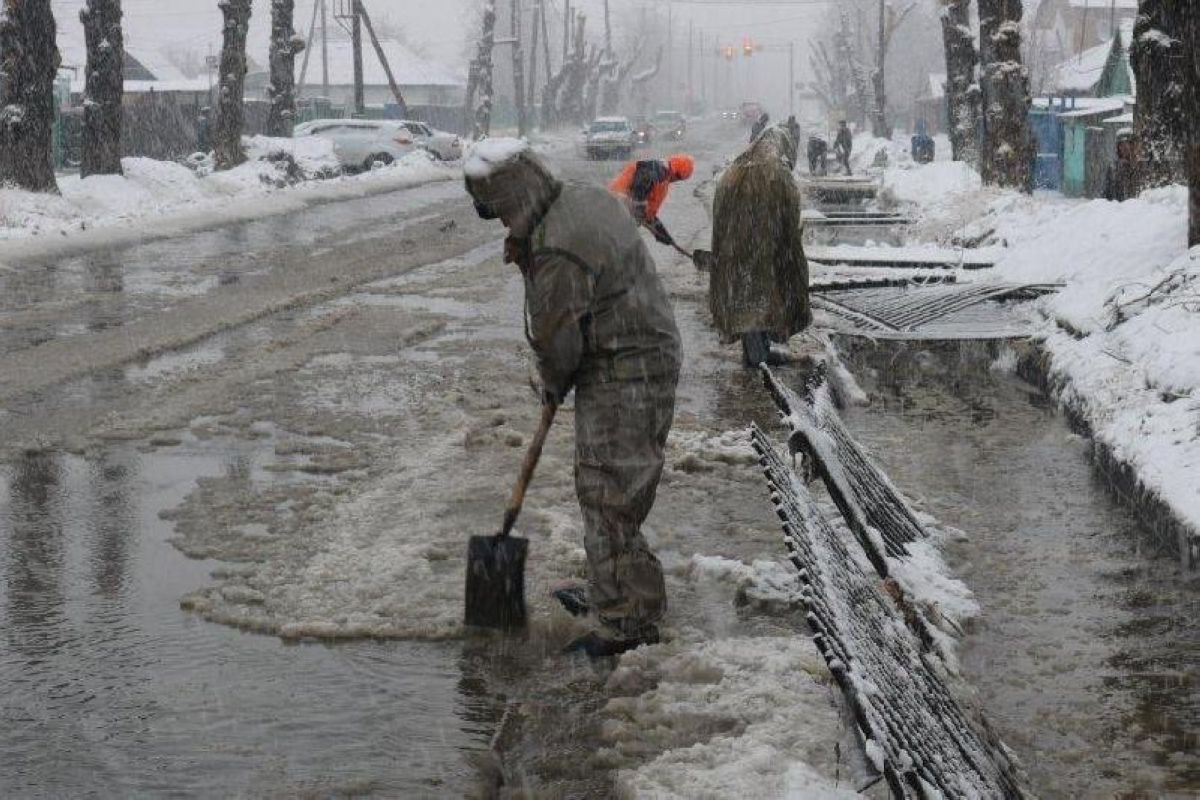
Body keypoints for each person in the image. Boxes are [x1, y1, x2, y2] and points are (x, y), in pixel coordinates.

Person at [463, 140, 682, 658]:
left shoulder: (557, 245)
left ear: (518, 198)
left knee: (609, 489)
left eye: (501, 215)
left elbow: (558, 341)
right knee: (611, 484)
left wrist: (552, 382)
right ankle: (616, 590)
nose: (501, 226)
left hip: (626, 367)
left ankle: (628, 618)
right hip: (636, 351)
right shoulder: (578, 198)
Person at [710, 127, 811, 366]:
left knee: (745, 297)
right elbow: (789, 215)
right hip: (763, 246)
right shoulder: (777, 172)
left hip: (734, 247)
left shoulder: (733, 171)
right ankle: (758, 361)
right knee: (759, 299)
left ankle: (758, 351)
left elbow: (719, 215)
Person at [608, 153, 695, 251]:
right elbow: (639, 188)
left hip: (624, 217)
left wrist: (661, 233)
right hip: (615, 208)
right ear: (676, 173)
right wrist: (639, 205)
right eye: (679, 178)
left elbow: (648, 215)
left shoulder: (663, 180)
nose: (676, 181)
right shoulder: (654, 169)